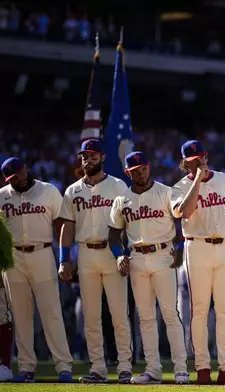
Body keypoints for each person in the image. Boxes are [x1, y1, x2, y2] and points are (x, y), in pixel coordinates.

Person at [171, 140, 225, 385]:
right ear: (185, 162)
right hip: (196, 247)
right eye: (193, 159)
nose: (200, 162)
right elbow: (185, 212)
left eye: (202, 157)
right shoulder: (179, 187)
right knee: (200, 311)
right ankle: (202, 367)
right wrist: (197, 180)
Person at [108, 151, 189, 385]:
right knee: (145, 318)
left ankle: (181, 369)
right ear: (128, 173)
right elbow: (114, 234)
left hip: (164, 255)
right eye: (136, 170)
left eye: (144, 168)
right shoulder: (122, 199)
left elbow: (182, 217)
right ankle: (153, 369)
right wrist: (118, 256)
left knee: (170, 315)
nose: (141, 172)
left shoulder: (166, 191)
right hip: (136, 258)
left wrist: (181, 247)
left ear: (149, 167)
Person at [57, 139, 133, 384]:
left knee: (119, 314)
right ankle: (98, 368)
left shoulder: (118, 185)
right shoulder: (72, 190)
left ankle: (124, 367)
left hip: (112, 252)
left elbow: (128, 223)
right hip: (86, 253)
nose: (86, 160)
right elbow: (67, 227)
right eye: (83, 156)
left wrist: (124, 253)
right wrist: (63, 259)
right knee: (90, 316)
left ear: (102, 158)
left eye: (91, 156)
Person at [0, 157, 74, 383]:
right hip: (13, 258)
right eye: (12, 178)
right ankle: (26, 367)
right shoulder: (2, 195)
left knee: (51, 311)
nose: (18, 179)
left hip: (42, 252)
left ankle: (63, 366)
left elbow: (62, 225)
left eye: (19, 174)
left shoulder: (48, 190)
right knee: (20, 315)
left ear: (26, 169)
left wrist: (64, 258)